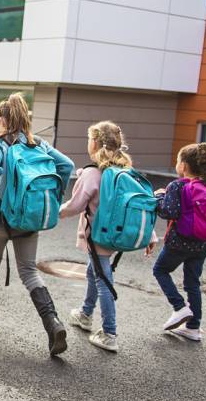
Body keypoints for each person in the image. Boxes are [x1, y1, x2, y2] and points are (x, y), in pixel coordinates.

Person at [0, 93, 74, 356]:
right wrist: (52, 196)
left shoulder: (0, 144)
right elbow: (67, 165)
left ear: (2, 119)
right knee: (29, 271)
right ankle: (53, 324)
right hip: (30, 218)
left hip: (1, 218)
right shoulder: (38, 143)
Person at [59, 121, 157, 352]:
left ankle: (110, 333)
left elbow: (75, 206)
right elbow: (141, 205)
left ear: (94, 143)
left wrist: (52, 213)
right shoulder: (126, 171)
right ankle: (85, 313)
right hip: (115, 234)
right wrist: (150, 234)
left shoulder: (93, 173)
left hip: (98, 236)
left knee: (103, 279)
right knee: (95, 272)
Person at [152, 143, 206, 342]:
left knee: (160, 270)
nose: (177, 164)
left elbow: (168, 212)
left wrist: (159, 196)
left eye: (178, 161)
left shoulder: (178, 186)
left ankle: (179, 307)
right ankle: (193, 328)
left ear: (184, 166)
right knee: (192, 283)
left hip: (180, 242)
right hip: (203, 244)